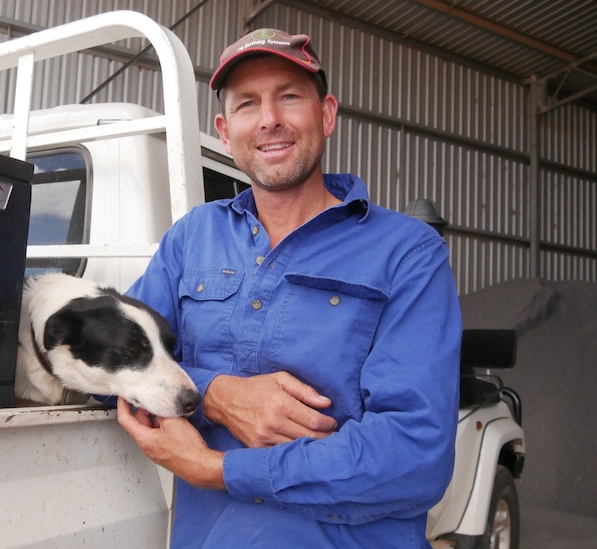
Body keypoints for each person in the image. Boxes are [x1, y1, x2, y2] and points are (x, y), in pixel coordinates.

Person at [116, 28, 462, 548]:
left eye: (289, 96)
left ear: (326, 114)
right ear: (225, 129)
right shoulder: (192, 238)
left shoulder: (407, 252)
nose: (269, 119)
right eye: (247, 104)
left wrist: (218, 468)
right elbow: (111, 360)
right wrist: (216, 396)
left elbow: (415, 454)